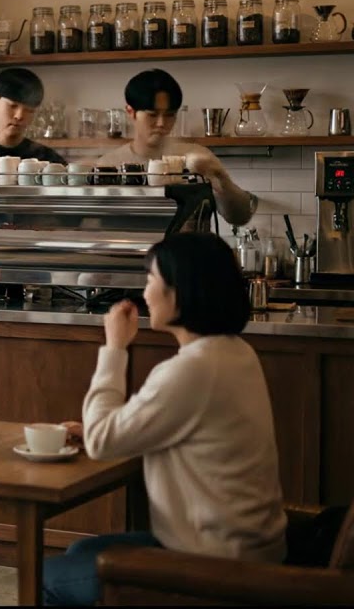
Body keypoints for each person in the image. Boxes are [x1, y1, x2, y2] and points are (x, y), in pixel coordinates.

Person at [43, 232, 286, 606]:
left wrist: (114, 347)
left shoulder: (192, 369)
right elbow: (168, 429)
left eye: (150, 280)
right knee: (79, 551)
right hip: (250, 550)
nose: (144, 293)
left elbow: (103, 441)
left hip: (211, 567)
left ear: (179, 292)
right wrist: (102, 430)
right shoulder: (236, 352)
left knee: (45, 577)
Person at [96, 68, 256, 225]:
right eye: (152, 115)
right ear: (131, 112)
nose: (161, 123)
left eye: (170, 115)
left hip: (189, 250)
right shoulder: (108, 165)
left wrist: (222, 178)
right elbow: (95, 222)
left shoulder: (197, 156)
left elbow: (240, 217)